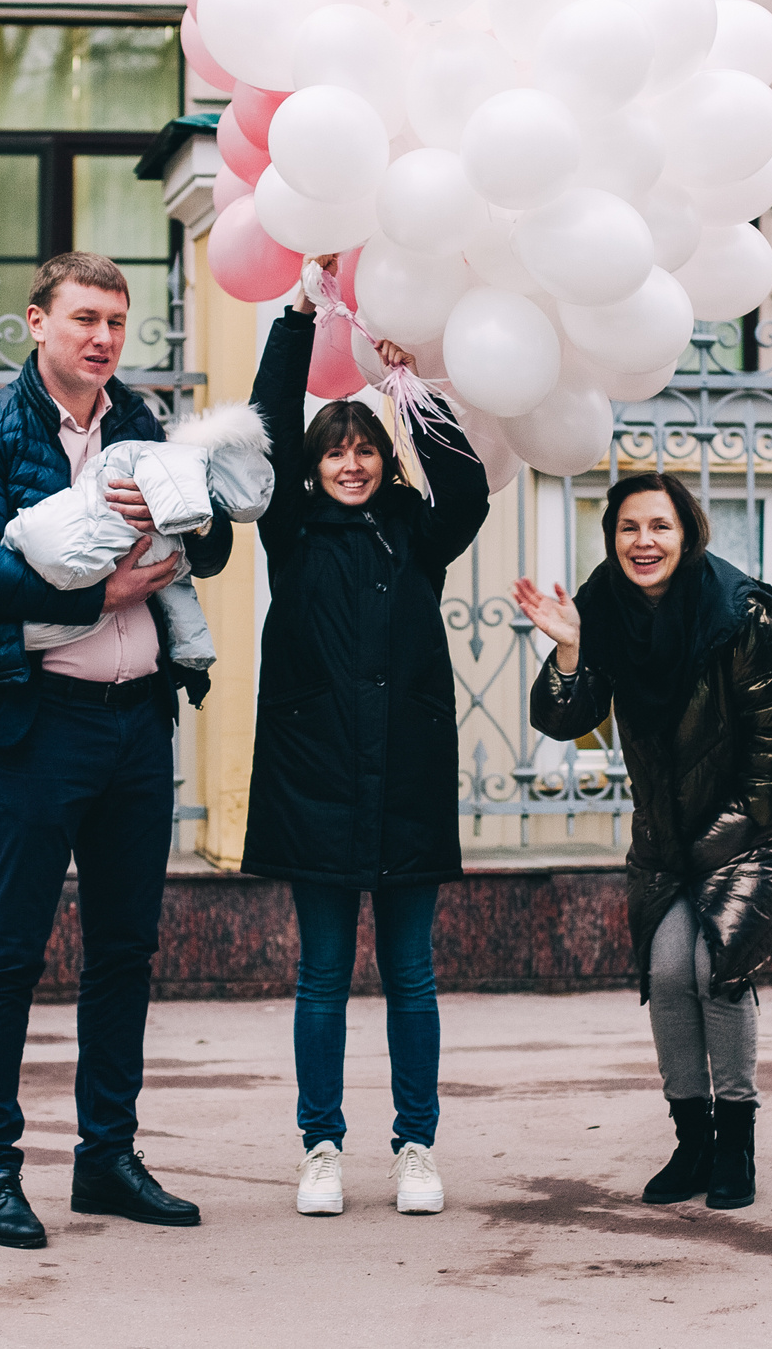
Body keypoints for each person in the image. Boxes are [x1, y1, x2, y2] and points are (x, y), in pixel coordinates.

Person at [0, 251, 235, 1251]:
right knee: (10, 952)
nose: (103, 337)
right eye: (84, 318)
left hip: (139, 720)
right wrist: (94, 596)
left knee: (124, 951)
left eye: (116, 321)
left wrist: (185, 514)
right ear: (36, 322)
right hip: (39, 723)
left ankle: (107, 1157)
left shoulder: (143, 422)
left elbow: (216, 543)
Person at [241, 269, 489, 1219]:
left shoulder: (416, 531)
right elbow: (267, 425)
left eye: (366, 450)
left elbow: (466, 484)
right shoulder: (291, 527)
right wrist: (298, 319)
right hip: (316, 782)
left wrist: (408, 387)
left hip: (408, 780)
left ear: (385, 460)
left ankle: (416, 1145)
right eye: (336, 451)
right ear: (316, 466)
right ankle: (321, 1146)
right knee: (321, 977)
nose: (351, 464)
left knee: (413, 976)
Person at [513, 473, 772, 1214]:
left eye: (660, 526)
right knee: (668, 968)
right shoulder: (605, 611)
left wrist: (699, 849)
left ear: (688, 535)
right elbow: (563, 720)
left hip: (760, 827)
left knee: (715, 965)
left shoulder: (740, 620)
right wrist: (569, 650)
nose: (643, 542)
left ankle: (736, 1141)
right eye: (628, 528)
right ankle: (692, 1141)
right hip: (667, 838)